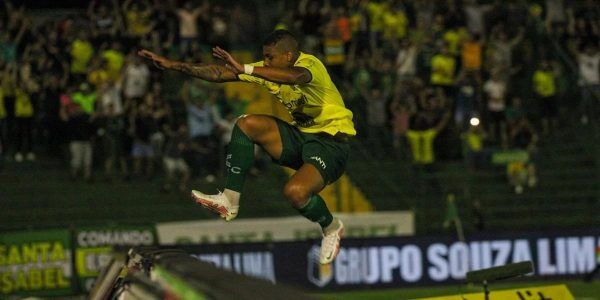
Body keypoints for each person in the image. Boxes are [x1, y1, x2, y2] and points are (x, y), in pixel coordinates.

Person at [138, 29, 354, 265]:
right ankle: (230, 200)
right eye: (265, 57)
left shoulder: (310, 64)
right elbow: (220, 73)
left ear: (289, 55)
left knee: (295, 193)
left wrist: (247, 69)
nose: (266, 61)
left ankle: (331, 227)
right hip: (302, 137)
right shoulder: (267, 70)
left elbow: (294, 78)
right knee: (246, 123)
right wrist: (174, 65)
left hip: (330, 143)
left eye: (271, 57)